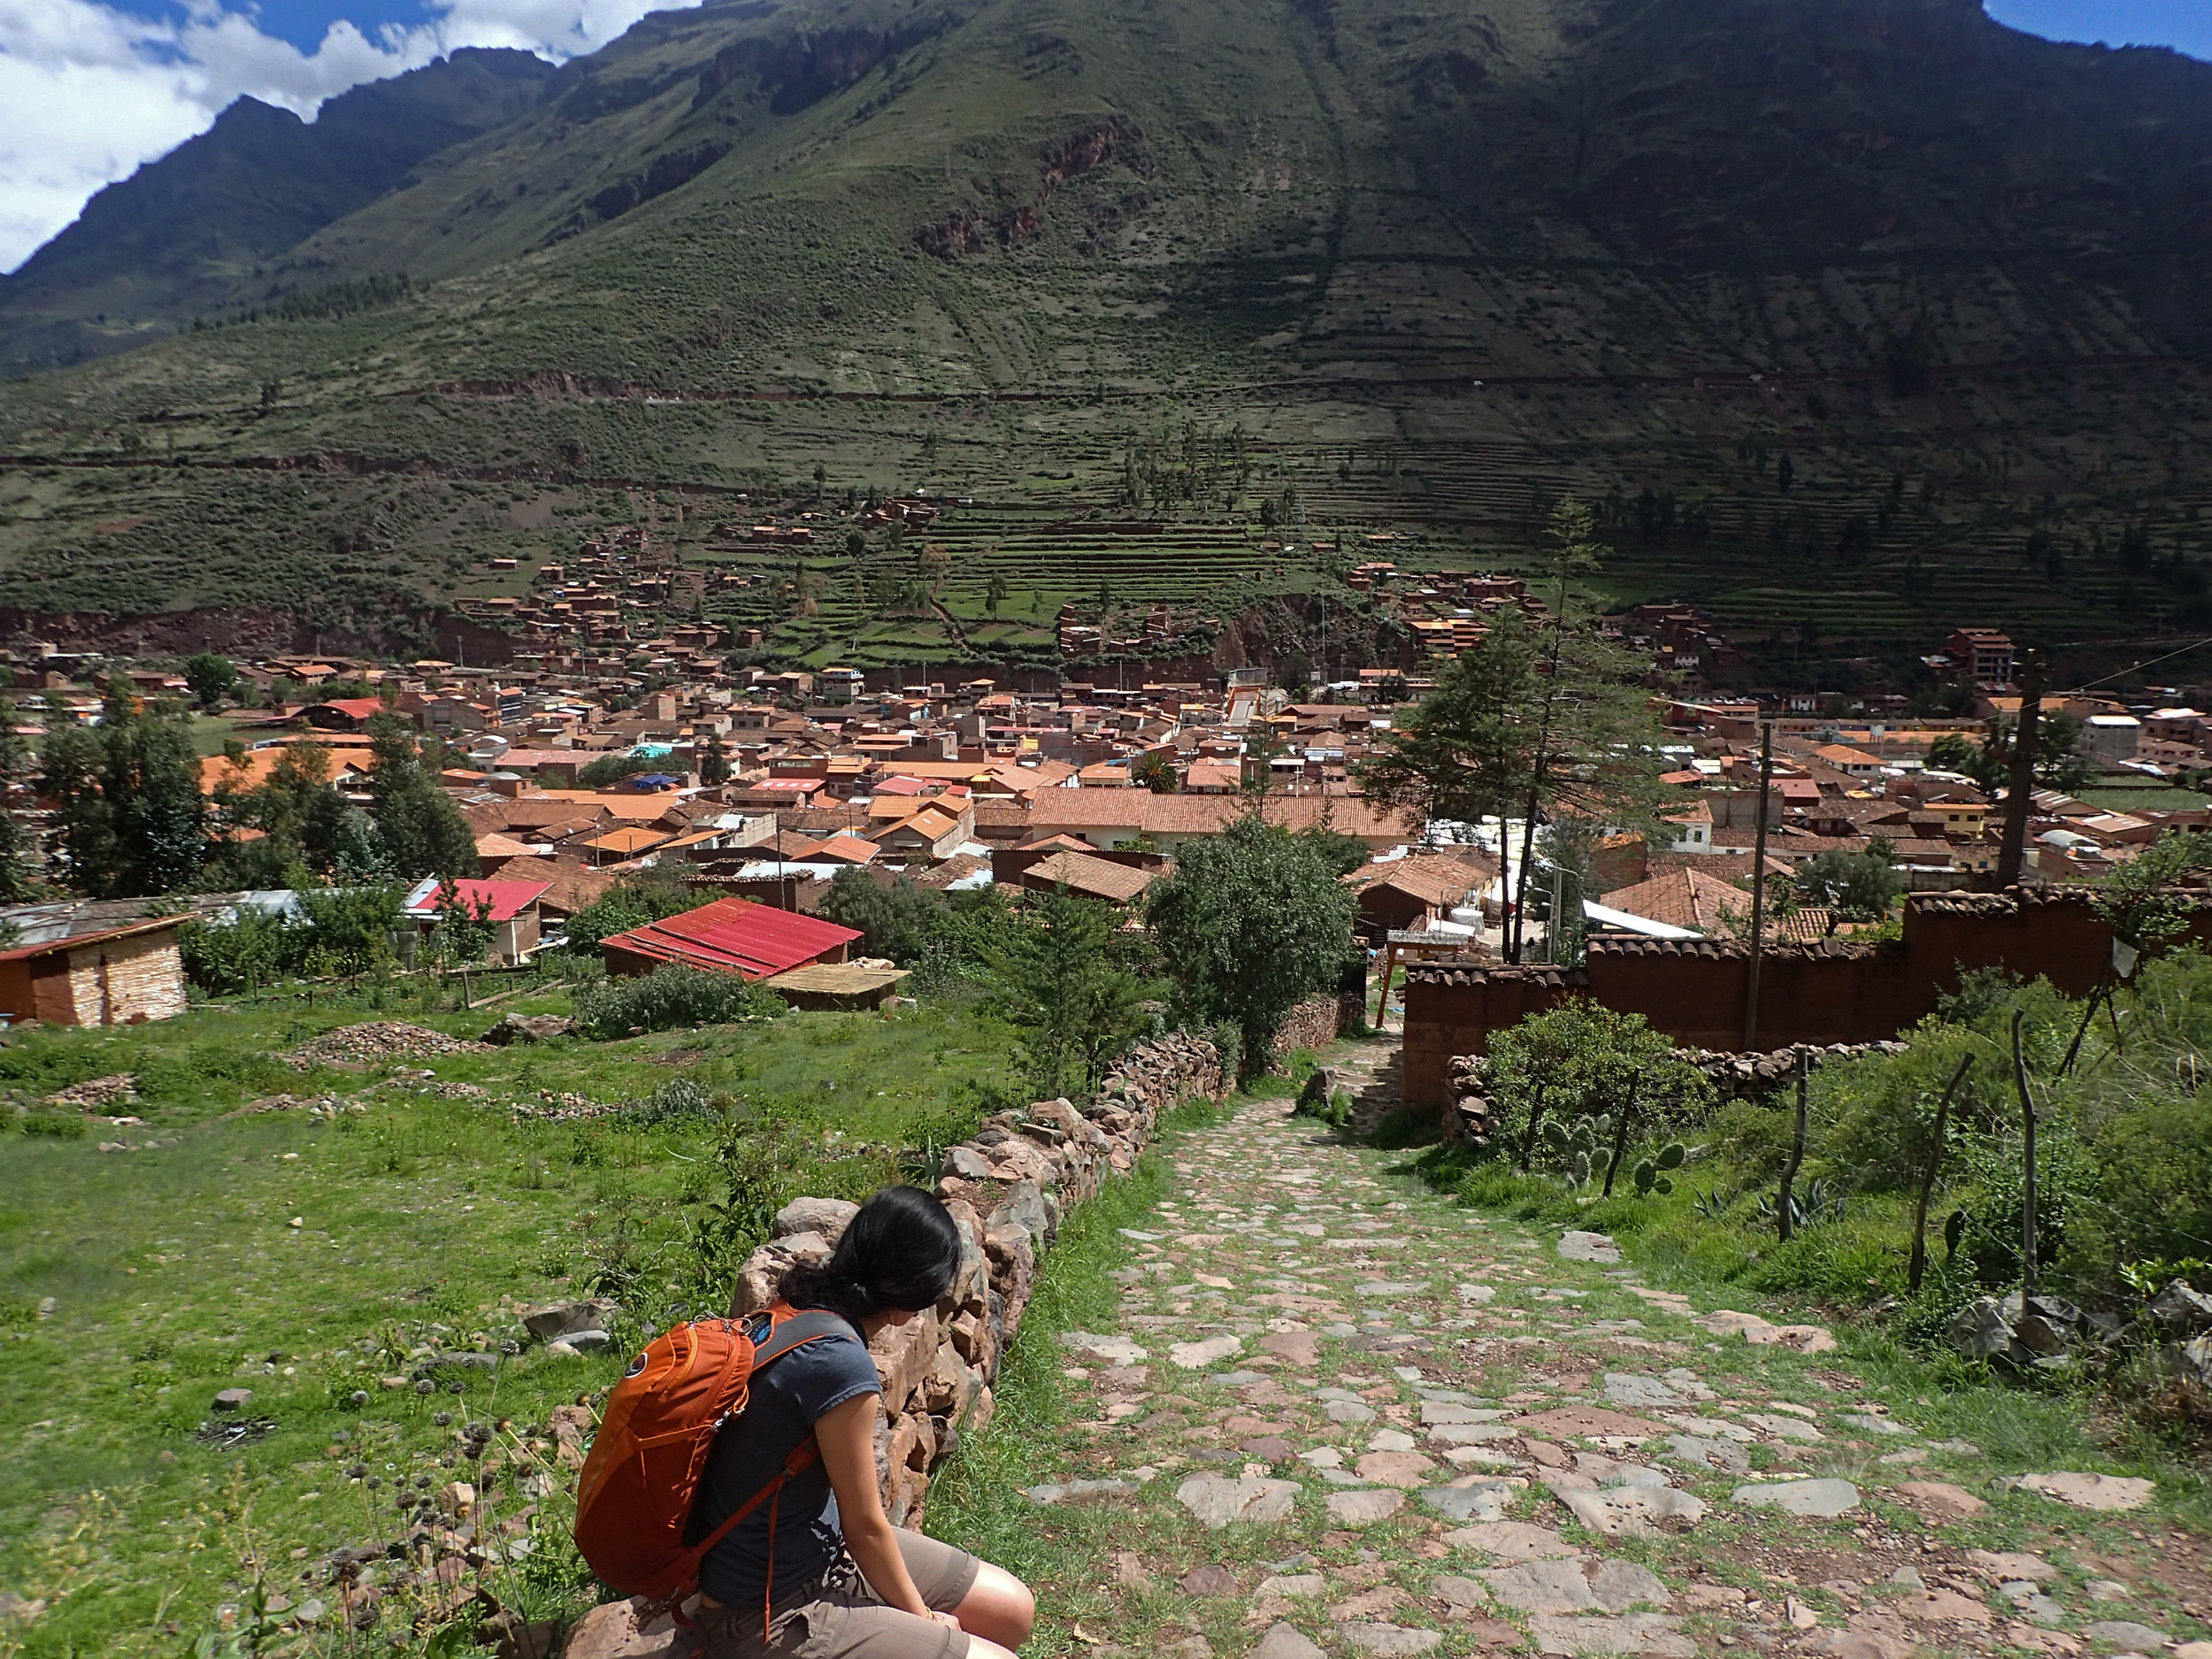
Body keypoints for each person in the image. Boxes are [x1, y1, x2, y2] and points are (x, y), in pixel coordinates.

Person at [692, 1187, 1035, 1659]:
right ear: (910, 1294)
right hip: (767, 1612)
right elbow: (866, 1527)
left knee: (1012, 1609)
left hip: (823, 1554)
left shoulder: (799, 1310)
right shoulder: (839, 1363)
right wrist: (926, 1621)